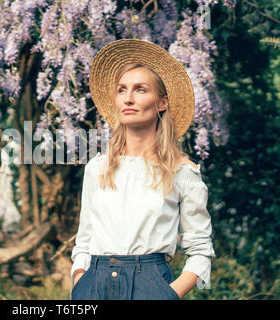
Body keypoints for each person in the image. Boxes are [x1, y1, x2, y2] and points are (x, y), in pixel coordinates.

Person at [70, 39, 216, 300]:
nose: (128, 98)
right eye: (122, 90)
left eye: (140, 90)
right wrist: (80, 282)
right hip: (94, 284)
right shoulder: (97, 168)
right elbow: (85, 238)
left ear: (161, 103)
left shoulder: (182, 171)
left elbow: (201, 249)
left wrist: (169, 295)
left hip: (151, 284)